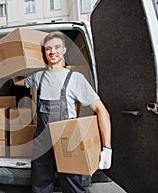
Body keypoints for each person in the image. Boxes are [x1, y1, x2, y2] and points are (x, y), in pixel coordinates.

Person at [23, 31, 112, 193]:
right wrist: (20, 62)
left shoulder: (75, 78)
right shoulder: (37, 77)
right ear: (44, 52)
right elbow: (17, 80)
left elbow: (101, 110)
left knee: (72, 187)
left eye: (57, 47)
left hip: (68, 141)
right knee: (39, 188)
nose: (52, 52)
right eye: (48, 48)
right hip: (42, 141)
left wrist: (107, 148)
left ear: (64, 50)